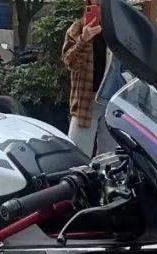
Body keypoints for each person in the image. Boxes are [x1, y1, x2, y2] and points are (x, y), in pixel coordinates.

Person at [62, 0, 106, 153]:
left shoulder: (116, 30)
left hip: (112, 99)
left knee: (111, 159)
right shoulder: (77, 29)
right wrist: (83, 40)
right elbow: (70, 62)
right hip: (86, 100)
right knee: (78, 154)